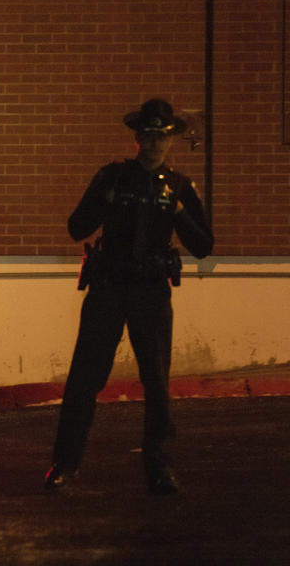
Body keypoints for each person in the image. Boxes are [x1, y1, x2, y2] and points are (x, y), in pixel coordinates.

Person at [45, 99, 214, 495]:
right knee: (86, 378)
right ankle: (64, 463)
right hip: (108, 287)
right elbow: (76, 227)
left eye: (163, 137)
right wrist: (101, 203)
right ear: (137, 138)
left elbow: (204, 244)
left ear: (170, 140)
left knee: (156, 382)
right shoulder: (112, 177)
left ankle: (159, 467)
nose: (156, 144)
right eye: (150, 136)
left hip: (151, 291)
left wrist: (177, 213)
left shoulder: (179, 186)